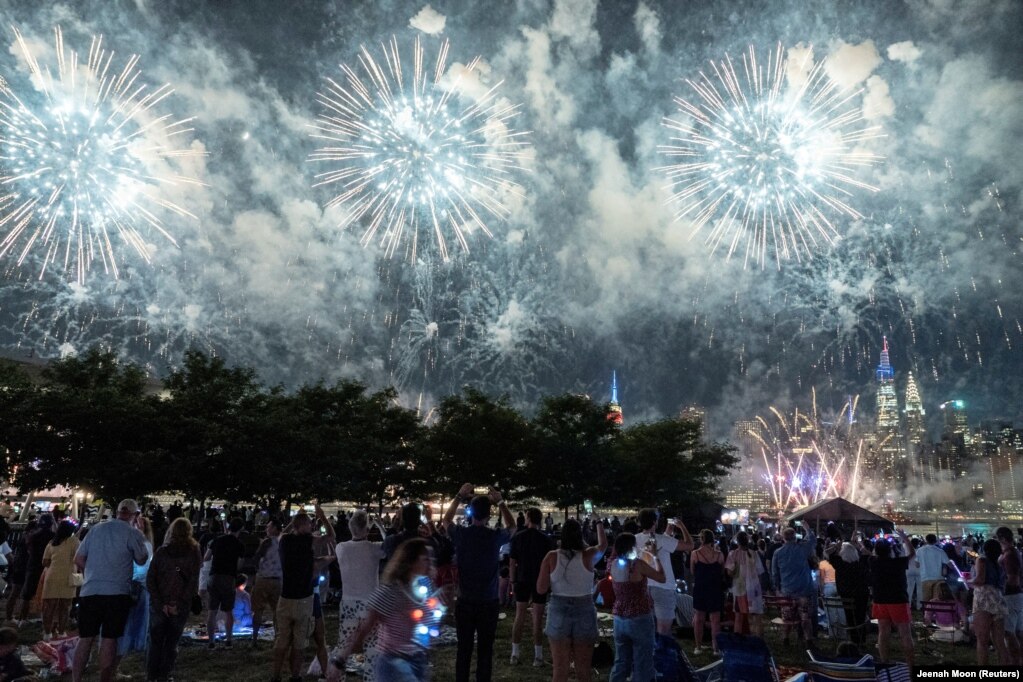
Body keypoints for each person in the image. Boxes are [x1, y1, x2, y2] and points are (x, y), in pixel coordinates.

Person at [331, 538, 437, 682]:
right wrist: (340, 660)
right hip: (394, 663)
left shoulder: (423, 587)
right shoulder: (391, 591)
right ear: (412, 561)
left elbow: (428, 622)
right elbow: (364, 629)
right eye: (425, 559)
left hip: (417, 660)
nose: (430, 563)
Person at [443, 483, 515, 682]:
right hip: (488, 601)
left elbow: (446, 520)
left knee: (463, 650)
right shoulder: (494, 537)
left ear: (470, 513)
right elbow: (512, 527)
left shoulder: (462, 535)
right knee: (485, 651)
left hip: (465, 600)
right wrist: (500, 501)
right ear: (488, 515)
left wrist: (459, 495)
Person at [72, 499, 149, 682]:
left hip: (90, 590)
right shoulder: (132, 533)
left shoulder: (96, 529)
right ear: (135, 515)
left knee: (85, 638)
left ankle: (76, 679)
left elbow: (79, 558)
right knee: (109, 638)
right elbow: (141, 559)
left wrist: (92, 573)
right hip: (116, 592)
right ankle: (105, 678)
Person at [536, 518, 607, 682]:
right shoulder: (588, 554)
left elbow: (540, 589)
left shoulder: (551, 557)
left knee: (560, 670)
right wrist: (598, 523)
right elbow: (603, 545)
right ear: (580, 534)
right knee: (584, 670)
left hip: (559, 609)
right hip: (584, 608)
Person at [146, 517, 201, 682]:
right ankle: (165, 674)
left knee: (155, 642)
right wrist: (179, 602)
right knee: (171, 642)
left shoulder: (162, 552)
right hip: (180, 605)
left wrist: (160, 603)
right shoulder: (194, 551)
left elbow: (151, 579)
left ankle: (151, 675)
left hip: (159, 604)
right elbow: (193, 580)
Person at [331, 510, 384, 680]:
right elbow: (389, 543)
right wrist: (380, 526)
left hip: (349, 603)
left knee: (344, 645)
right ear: (367, 529)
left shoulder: (341, 548)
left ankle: (339, 677)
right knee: (373, 647)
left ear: (350, 527)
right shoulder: (375, 548)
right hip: (371, 603)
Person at [609, 532, 665, 682]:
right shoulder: (637, 565)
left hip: (619, 617)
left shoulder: (612, 564)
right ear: (631, 546)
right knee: (643, 663)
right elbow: (662, 577)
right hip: (640, 617)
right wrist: (655, 556)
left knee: (621, 661)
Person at [271, 512, 315, 682]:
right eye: (309, 523)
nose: (311, 526)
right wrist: (322, 517)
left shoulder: (284, 542)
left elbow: (283, 534)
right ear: (303, 526)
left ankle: (276, 675)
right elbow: (330, 537)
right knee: (299, 642)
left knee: (282, 639)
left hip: (285, 596)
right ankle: (295, 676)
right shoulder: (308, 541)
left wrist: (292, 523)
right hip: (303, 597)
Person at [635, 509, 694, 635]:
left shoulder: (635, 539)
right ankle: (662, 652)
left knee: (647, 626)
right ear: (655, 522)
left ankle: (650, 651)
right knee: (664, 630)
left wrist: (668, 531)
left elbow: (662, 545)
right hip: (663, 587)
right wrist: (681, 526)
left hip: (644, 586)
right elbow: (689, 545)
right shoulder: (662, 540)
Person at [509, 507, 554, 667]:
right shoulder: (546, 539)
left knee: (519, 615)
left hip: (521, 579)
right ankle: (538, 656)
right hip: (540, 580)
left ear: (527, 518)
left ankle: (515, 653)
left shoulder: (518, 537)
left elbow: (513, 562)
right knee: (537, 618)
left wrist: (512, 580)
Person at [869, 529, 915, 667]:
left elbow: (869, 553)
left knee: (883, 632)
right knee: (905, 633)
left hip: (880, 600)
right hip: (898, 599)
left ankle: (884, 662)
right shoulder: (899, 562)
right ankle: (911, 665)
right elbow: (912, 553)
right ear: (890, 551)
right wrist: (904, 538)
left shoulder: (873, 562)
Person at [771, 525, 818, 646]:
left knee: (787, 618)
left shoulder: (778, 553)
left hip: (787, 591)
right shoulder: (802, 549)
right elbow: (813, 540)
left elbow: (775, 573)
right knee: (805, 617)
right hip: (804, 589)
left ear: (783, 538)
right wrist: (807, 527)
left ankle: (786, 639)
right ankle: (808, 641)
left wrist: (777, 588)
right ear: (794, 537)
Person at [117, 517, 154, 658]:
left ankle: (131, 645)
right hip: (130, 584)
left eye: (140, 525)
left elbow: (143, 567)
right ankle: (127, 645)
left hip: (137, 585)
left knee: (135, 619)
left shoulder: (145, 545)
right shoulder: (129, 543)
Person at [206, 517, 245, 649]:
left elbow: (206, 556)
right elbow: (240, 564)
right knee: (229, 611)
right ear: (241, 529)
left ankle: (211, 642)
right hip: (229, 578)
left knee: (212, 611)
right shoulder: (239, 544)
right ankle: (228, 640)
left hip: (214, 576)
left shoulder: (217, 540)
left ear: (228, 528)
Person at [971, 538, 1011, 665]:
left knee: (982, 641)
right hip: (998, 599)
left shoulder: (981, 560)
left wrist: (967, 581)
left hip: (984, 599)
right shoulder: (999, 564)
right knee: (999, 642)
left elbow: (980, 580)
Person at [40, 520, 81, 640]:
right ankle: (61, 631)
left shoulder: (52, 542)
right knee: (65, 607)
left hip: (51, 576)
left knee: (49, 607)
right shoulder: (74, 541)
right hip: (69, 577)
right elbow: (79, 558)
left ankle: (47, 633)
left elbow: (45, 562)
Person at [724, 530, 765, 637]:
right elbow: (760, 573)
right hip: (754, 589)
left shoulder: (733, 554)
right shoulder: (754, 554)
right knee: (756, 616)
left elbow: (729, 572)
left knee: (739, 616)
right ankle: (757, 639)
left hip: (739, 589)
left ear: (737, 542)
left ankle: (738, 641)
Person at [16, 513, 55, 623]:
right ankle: (43, 617)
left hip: (32, 565)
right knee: (45, 593)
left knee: (27, 594)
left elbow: (29, 550)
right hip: (46, 566)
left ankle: (22, 618)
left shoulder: (33, 536)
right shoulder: (53, 537)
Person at [691, 529, 724, 655]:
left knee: (699, 617)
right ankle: (716, 648)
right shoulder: (719, 555)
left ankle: (698, 647)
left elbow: (693, 571)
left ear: (701, 539)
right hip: (715, 588)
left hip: (700, 587)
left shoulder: (695, 554)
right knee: (715, 619)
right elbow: (721, 572)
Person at [251, 518, 283, 646]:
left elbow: (257, 558)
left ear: (275, 528)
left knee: (258, 610)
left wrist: (258, 570)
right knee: (277, 611)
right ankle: (278, 638)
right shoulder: (283, 542)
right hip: (278, 581)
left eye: (269, 527)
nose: (266, 529)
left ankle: (254, 638)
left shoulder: (267, 542)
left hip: (264, 579)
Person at [995, 526, 1022, 666]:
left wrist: (1000, 588)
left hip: (1010, 596)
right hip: (1017, 595)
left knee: (1009, 632)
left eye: (998, 541)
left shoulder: (1009, 554)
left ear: (1003, 539)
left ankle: (1015, 662)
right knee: (1018, 631)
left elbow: (1013, 578)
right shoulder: (1013, 552)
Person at [4, 520, 34, 623]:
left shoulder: (23, 536)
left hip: (18, 566)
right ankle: (14, 617)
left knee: (15, 592)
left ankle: (10, 616)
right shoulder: (28, 538)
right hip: (23, 567)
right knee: (19, 593)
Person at [916, 534, 949, 613]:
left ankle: (927, 618)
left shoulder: (920, 550)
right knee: (937, 599)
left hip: (925, 577)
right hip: (938, 578)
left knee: (926, 600)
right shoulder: (940, 551)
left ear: (926, 540)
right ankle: (936, 617)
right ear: (935, 541)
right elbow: (947, 563)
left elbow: (917, 564)